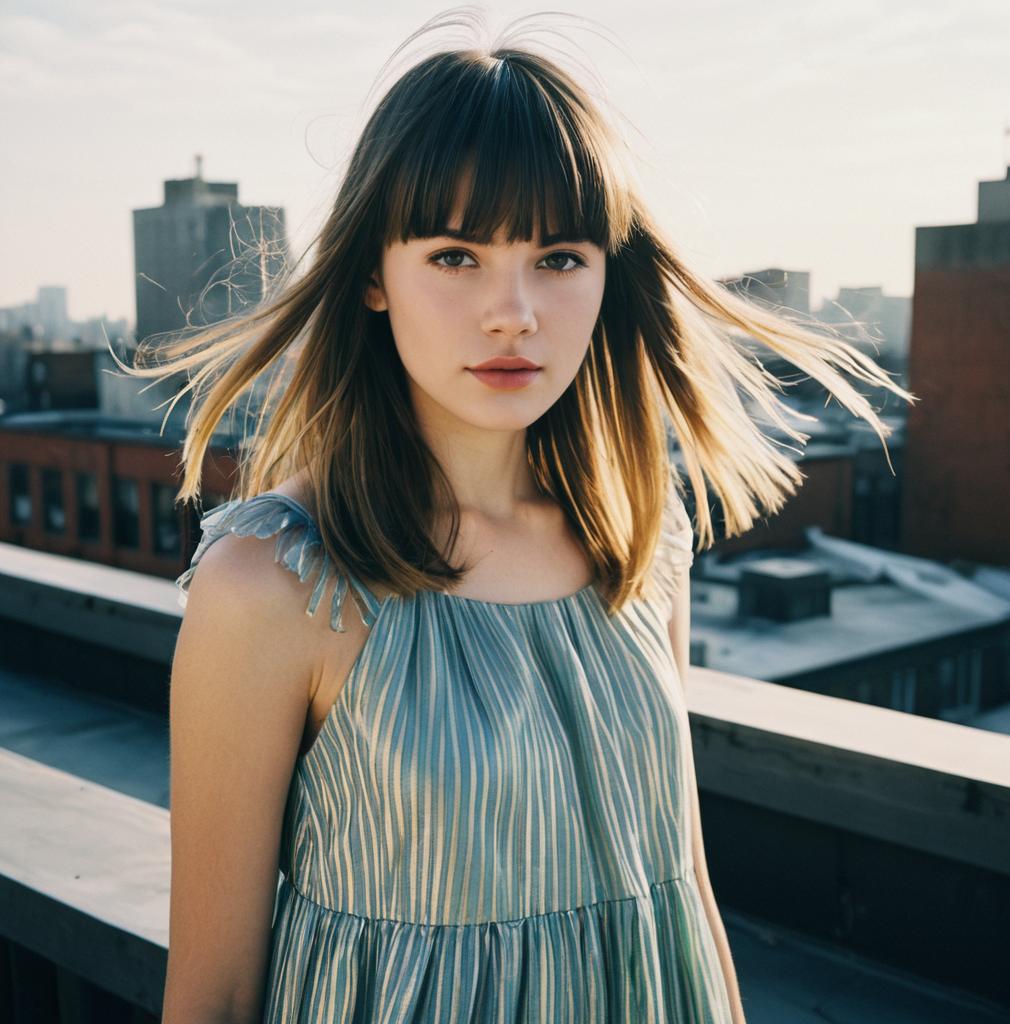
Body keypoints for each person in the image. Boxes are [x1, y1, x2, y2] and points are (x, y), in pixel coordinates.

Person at [139, 10, 915, 1023]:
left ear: (607, 272)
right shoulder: (272, 583)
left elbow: (680, 889)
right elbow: (216, 993)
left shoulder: (639, 538)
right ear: (373, 272)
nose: (514, 311)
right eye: (456, 255)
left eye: (558, 256)